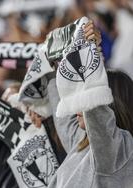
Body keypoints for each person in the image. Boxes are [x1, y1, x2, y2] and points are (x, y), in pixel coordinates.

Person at [43, 20, 133, 188]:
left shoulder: (117, 152)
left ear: (112, 105)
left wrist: (90, 51)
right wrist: (57, 54)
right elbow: (62, 109)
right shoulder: (81, 142)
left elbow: (95, 108)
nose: (78, 104)